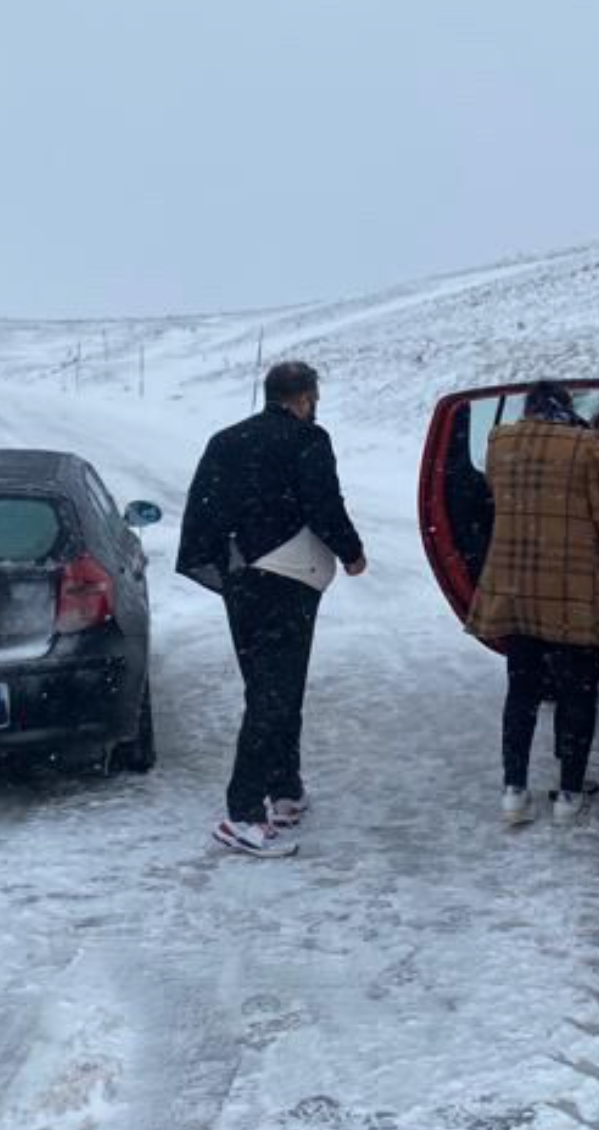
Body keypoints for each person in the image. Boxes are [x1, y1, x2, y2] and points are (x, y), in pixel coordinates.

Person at [177, 361, 366, 857]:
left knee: (267, 684)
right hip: (289, 576)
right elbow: (324, 503)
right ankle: (243, 814)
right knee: (277, 691)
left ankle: (286, 789)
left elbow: (203, 509)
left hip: (240, 578)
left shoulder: (226, 440)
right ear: (304, 398)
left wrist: (228, 561)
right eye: (313, 398)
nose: (314, 407)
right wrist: (351, 552)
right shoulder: (307, 439)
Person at [466, 381, 599, 825]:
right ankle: (569, 795)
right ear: (565, 408)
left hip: (515, 587)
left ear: (529, 407)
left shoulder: (500, 442)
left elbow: (498, 498)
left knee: (522, 691)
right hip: (573, 588)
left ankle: (514, 791)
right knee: (577, 693)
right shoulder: (585, 445)